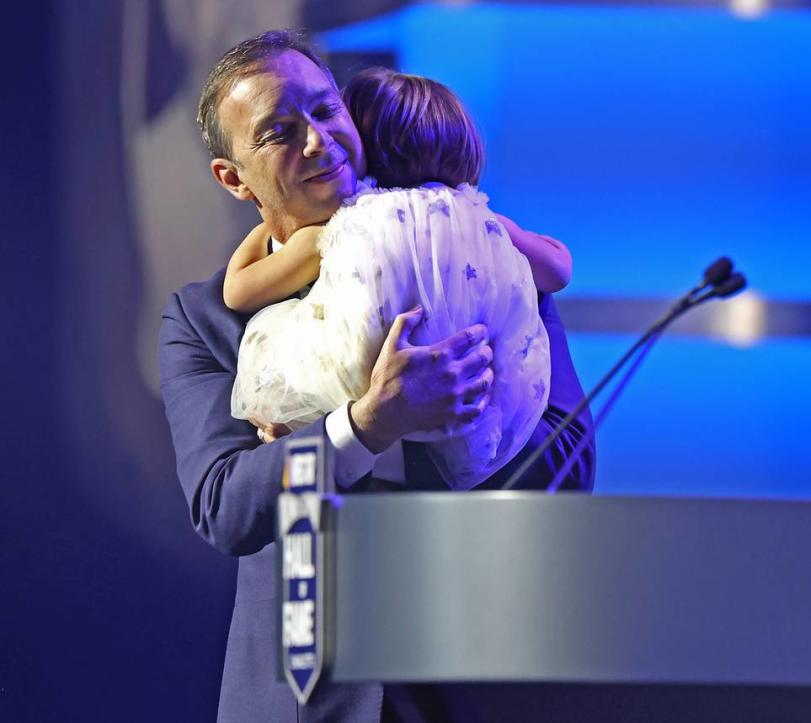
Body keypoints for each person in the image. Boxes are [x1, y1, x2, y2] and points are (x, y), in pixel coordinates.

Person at [158, 29, 594, 722]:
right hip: (301, 699)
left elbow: (568, 466)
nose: (317, 140)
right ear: (233, 178)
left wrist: (451, 420)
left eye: (325, 110)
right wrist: (363, 427)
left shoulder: (472, 262)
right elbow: (225, 504)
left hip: (475, 680)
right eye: (278, 130)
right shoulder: (203, 320)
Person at [226, 67, 572, 490]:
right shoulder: (481, 221)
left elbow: (239, 291)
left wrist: (264, 230)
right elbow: (558, 268)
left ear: (363, 147)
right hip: (481, 420)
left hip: (352, 397)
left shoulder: (346, 224)